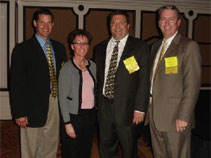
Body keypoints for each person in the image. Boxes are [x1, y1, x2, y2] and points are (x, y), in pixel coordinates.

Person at [145, 5, 201, 158]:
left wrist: (184, 116)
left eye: (171, 19)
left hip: (176, 117)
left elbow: (192, 86)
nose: (166, 23)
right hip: (155, 115)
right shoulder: (155, 47)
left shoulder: (188, 46)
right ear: (158, 22)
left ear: (178, 22)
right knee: (160, 155)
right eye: (163, 19)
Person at [10, 8, 66, 158]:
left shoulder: (59, 48)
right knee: (31, 146)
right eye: (42, 22)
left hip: (55, 100)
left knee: (51, 143)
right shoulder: (22, 49)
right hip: (31, 105)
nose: (46, 26)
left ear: (53, 24)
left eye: (49, 23)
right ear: (35, 23)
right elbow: (16, 83)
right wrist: (20, 112)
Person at [94, 10, 150, 158]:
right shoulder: (99, 48)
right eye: (113, 23)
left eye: (121, 22)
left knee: (129, 149)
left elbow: (144, 80)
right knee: (105, 148)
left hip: (128, 109)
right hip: (104, 108)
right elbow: (98, 79)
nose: (117, 26)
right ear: (109, 26)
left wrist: (140, 108)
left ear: (128, 25)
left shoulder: (140, 47)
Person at [59, 29, 97, 158]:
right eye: (78, 43)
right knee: (71, 152)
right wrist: (67, 123)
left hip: (90, 115)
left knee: (86, 150)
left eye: (85, 43)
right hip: (73, 116)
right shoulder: (67, 68)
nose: (82, 46)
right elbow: (62, 98)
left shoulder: (93, 66)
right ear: (72, 46)